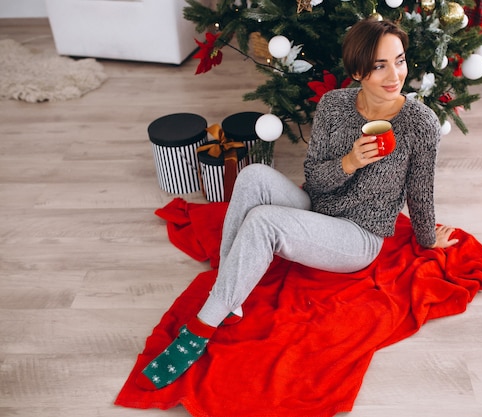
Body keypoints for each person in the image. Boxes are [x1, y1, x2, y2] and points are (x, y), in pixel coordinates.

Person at [135, 17, 458, 391]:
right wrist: (349, 162)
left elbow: (420, 190)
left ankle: (203, 325)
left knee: (263, 222)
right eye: (379, 65)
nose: (394, 75)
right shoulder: (334, 107)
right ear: (357, 71)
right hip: (317, 206)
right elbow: (315, 179)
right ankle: (229, 294)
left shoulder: (420, 122)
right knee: (253, 174)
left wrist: (427, 237)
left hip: (358, 237)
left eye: (399, 60)